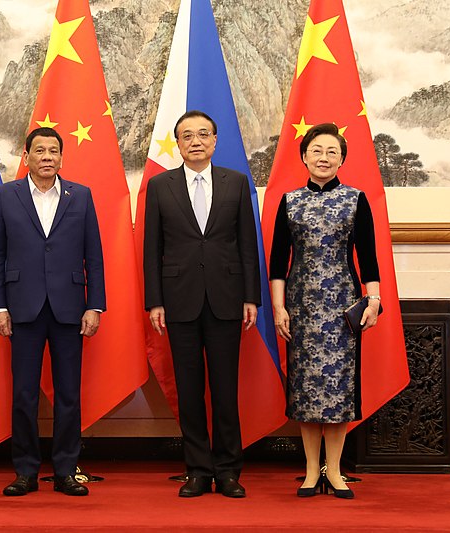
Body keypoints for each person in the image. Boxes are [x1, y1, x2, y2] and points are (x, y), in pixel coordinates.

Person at [143, 110, 261, 498]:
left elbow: (248, 245)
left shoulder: (237, 183)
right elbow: (152, 249)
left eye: (203, 134)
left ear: (215, 141)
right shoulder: (160, 186)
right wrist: (155, 301)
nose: (196, 141)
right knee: (189, 390)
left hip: (227, 300)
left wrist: (251, 296)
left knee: (225, 390)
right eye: (187, 135)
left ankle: (228, 470)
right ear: (178, 143)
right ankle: (197, 470)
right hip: (178, 302)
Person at [0, 127, 105, 497]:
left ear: (62, 157)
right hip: (23, 308)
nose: (47, 157)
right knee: (24, 394)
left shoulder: (80, 196)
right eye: (40, 150)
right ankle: (25, 471)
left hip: (70, 308)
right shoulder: (7, 195)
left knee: (69, 394)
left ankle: (67, 470)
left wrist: (94, 305)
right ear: (27, 156)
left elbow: (94, 257)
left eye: (54, 151)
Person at [269, 122, 381, 499]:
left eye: (332, 151)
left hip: (341, 306)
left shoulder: (355, 199)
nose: (323, 157)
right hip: (300, 307)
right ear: (304, 156)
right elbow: (277, 262)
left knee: (338, 393)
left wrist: (375, 300)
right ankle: (309, 471)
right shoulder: (290, 201)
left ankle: (334, 471)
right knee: (305, 390)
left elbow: (368, 256)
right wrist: (279, 308)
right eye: (316, 150)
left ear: (342, 159)